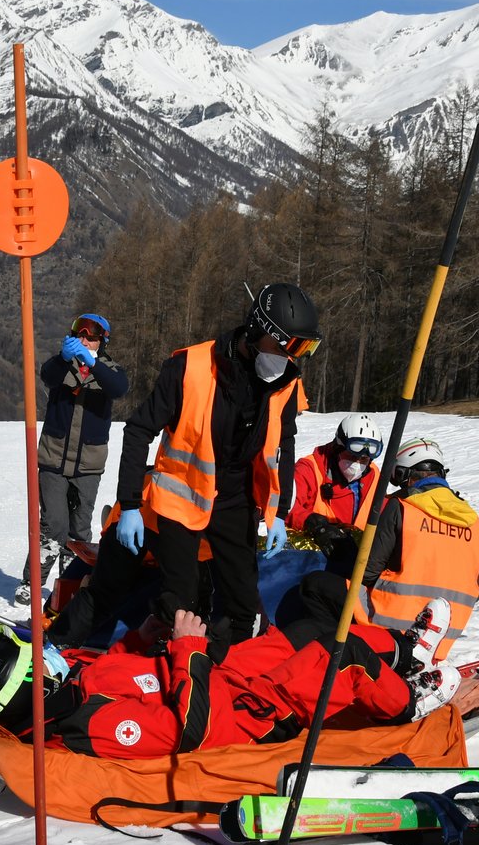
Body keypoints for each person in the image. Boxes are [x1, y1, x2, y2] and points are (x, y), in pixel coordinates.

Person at [0, 578, 461, 760]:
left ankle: (404, 651)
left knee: (308, 629)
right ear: (37, 685)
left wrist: (142, 637)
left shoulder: (71, 682)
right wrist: (187, 649)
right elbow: (193, 730)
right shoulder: (96, 725)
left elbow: (111, 669)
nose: (51, 650)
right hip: (245, 716)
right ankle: (405, 707)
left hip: (215, 677)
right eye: (42, 656)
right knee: (340, 658)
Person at [111, 282, 322, 658]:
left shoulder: (285, 382)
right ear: (259, 331)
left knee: (243, 601)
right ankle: (172, 665)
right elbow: (139, 429)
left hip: (236, 500)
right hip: (181, 496)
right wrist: (129, 503)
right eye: (289, 346)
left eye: (304, 349)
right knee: (182, 602)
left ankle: (231, 670)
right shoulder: (189, 367)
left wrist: (279, 512)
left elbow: (283, 443)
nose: (293, 358)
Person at [295, 437, 479, 662]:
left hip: (391, 625)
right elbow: (476, 590)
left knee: (315, 584)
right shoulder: (477, 527)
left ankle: (336, 658)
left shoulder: (403, 509)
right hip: (441, 639)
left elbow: (366, 573)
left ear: (405, 474)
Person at [15, 312, 129, 606]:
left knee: (79, 529)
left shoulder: (110, 370)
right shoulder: (62, 365)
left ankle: (71, 584)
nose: (85, 341)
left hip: (88, 465)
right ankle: (32, 582)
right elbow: (47, 375)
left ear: (102, 342)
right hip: (53, 459)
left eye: (92, 337)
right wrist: (66, 358)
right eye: (80, 334)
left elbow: (118, 388)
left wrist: (93, 364)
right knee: (53, 526)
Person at [287, 412, 385, 561]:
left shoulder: (373, 475)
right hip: (315, 555)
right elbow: (287, 506)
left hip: (360, 558)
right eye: (352, 456)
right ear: (338, 447)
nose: (358, 463)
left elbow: (384, 512)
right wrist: (314, 524)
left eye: (364, 459)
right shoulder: (309, 469)